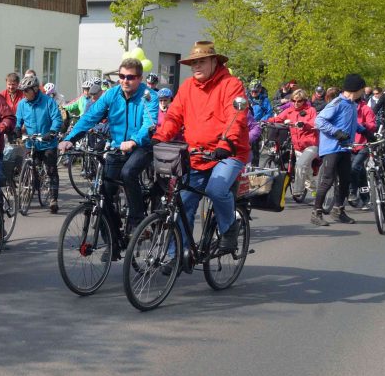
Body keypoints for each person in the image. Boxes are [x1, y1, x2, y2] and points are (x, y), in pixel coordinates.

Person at [152, 41, 250, 259]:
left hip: (228, 153)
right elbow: (174, 116)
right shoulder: (187, 86)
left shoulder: (231, 84)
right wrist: (159, 137)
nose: (196, 66)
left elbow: (237, 118)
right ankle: (175, 255)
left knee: (216, 190)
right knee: (183, 202)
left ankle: (229, 229)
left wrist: (226, 144)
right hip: (197, 154)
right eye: (193, 62)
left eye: (202, 61)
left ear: (215, 61)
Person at [60, 57, 159, 246]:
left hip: (141, 146)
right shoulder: (111, 95)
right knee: (103, 194)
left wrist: (133, 140)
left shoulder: (148, 96)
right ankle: (113, 242)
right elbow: (90, 117)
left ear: (139, 78)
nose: (125, 80)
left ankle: (137, 221)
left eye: (130, 77)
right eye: (122, 76)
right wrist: (69, 139)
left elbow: (149, 123)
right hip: (117, 147)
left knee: (128, 173)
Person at [312, 74, 368, 225]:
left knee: (345, 180)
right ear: (355, 89)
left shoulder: (352, 104)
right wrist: (335, 132)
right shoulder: (337, 103)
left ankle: (339, 210)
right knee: (328, 180)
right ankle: (316, 213)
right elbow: (319, 121)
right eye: (362, 89)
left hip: (345, 148)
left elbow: (351, 123)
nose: (363, 92)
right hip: (331, 147)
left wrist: (364, 131)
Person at [16, 75, 64, 212]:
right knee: (29, 165)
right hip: (31, 142)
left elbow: (57, 118)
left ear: (35, 89)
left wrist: (53, 131)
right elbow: (18, 119)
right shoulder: (22, 104)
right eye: (22, 91)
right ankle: (31, 185)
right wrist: (17, 128)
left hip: (47, 142)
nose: (24, 94)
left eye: (26, 91)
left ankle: (53, 199)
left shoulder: (48, 102)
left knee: (51, 170)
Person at [269, 89, 318, 200]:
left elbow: (315, 122)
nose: (296, 103)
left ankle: (297, 191)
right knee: (307, 172)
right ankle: (315, 191)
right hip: (298, 146)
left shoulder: (311, 110)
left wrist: (304, 124)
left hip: (311, 144)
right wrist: (265, 121)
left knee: (300, 165)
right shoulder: (289, 110)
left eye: (299, 101)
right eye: (293, 100)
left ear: (304, 100)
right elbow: (278, 118)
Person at [348, 94, 377, 210]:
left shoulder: (366, 109)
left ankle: (352, 192)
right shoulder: (346, 109)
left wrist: (362, 125)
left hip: (363, 144)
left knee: (354, 167)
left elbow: (373, 125)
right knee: (360, 172)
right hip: (350, 145)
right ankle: (366, 199)